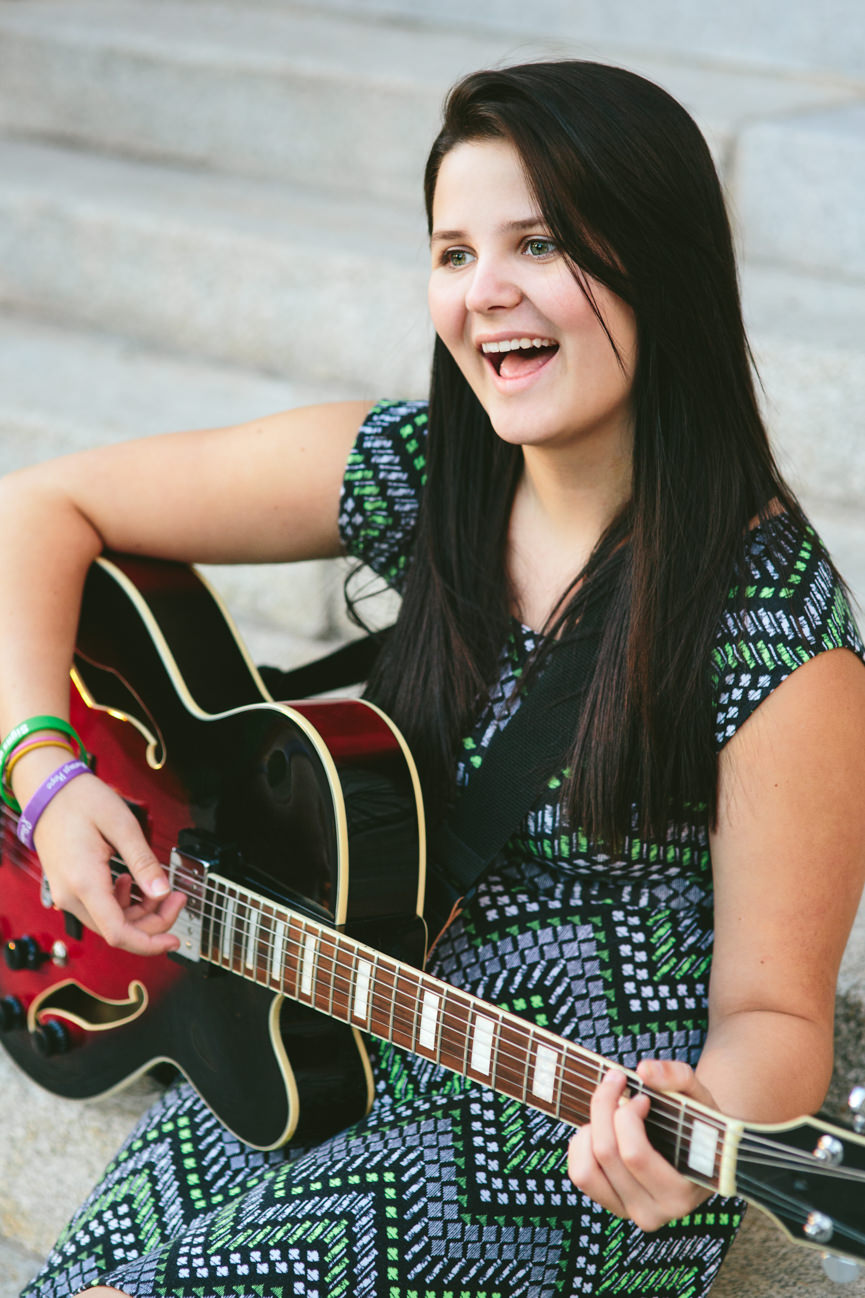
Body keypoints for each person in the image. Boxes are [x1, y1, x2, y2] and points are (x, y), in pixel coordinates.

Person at [3, 59, 865, 1298]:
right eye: (453, 252)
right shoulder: (427, 472)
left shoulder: (776, 629)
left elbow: (781, 1021)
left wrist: (696, 1125)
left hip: (559, 1140)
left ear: (661, 264)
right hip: (327, 1017)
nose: (484, 292)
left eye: (540, 242)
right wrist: (46, 769)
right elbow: (36, 506)